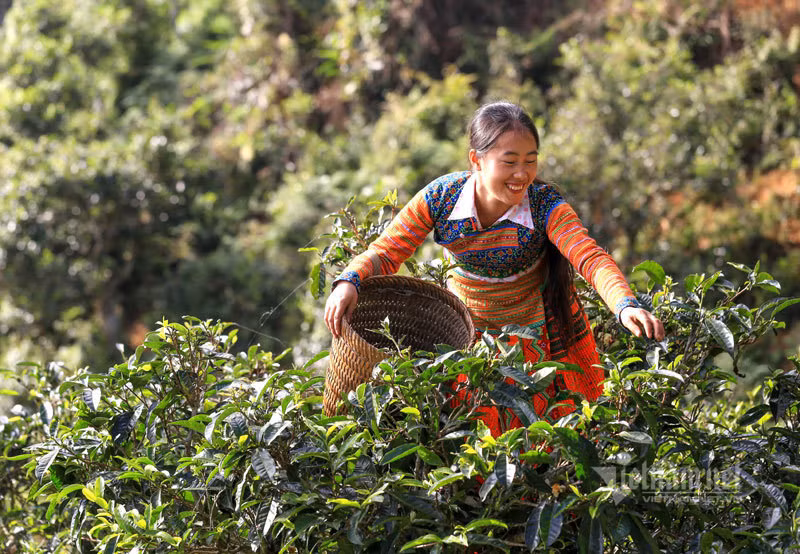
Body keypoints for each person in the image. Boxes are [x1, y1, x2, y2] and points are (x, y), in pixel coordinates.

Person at [324, 101, 665, 434]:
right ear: (477, 159)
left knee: (541, 436)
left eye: (531, 161)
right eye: (510, 161)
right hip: (468, 336)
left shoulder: (544, 206)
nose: (522, 174)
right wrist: (349, 280)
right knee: (472, 438)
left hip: (533, 334)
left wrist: (623, 304)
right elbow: (388, 250)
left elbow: (588, 257)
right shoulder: (442, 197)